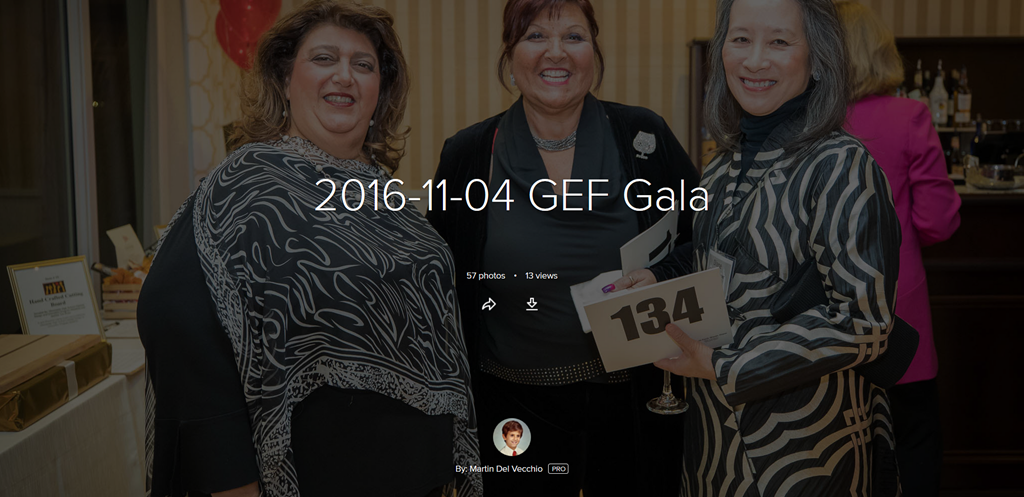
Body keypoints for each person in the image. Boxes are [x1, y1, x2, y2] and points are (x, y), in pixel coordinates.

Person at [137, 2, 481, 496]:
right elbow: (172, 318)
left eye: (363, 65)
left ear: (380, 91)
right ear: (283, 79)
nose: (344, 75)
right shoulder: (246, 185)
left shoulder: (391, 200)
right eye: (323, 58)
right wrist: (231, 481)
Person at [427, 0, 700, 495]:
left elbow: (703, 237)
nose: (557, 52)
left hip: (632, 400)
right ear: (510, 54)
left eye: (574, 37)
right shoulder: (468, 154)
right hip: (511, 406)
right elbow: (439, 281)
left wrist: (661, 276)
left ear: (594, 52)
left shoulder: (644, 137)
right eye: (535, 36)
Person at [653, 0, 903, 495]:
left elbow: (865, 322)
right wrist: (658, 278)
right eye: (740, 39)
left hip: (804, 446)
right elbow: (720, 256)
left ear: (818, 59)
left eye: (780, 42)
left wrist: (725, 366)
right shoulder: (722, 163)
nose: (754, 60)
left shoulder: (841, 164)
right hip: (712, 441)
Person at [838, 1, 960, 494]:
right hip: (898, 304)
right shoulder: (910, 116)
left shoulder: (806, 121)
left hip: (825, 307)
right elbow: (938, 223)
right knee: (913, 437)